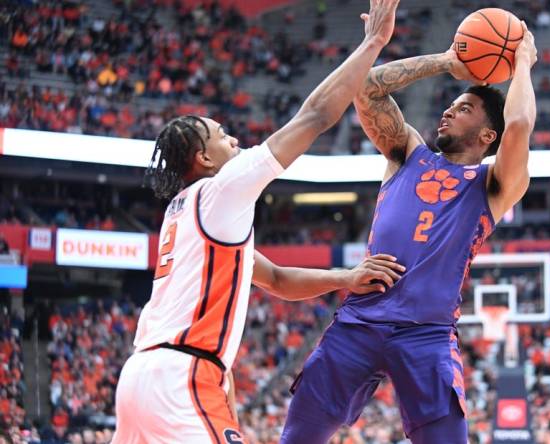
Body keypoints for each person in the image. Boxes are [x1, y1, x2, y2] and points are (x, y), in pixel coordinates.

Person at [112, 0, 403, 442]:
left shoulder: (187, 213)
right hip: (182, 375)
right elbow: (315, 116)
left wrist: (347, 277)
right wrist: (373, 44)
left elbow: (278, 280)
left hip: (139, 378)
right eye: (221, 136)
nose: (234, 139)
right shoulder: (220, 190)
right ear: (204, 158)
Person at [280, 21, 538, 444]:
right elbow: (367, 88)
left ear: (486, 135)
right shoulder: (407, 153)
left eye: (464, 109)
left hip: (427, 333)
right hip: (359, 320)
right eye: (451, 105)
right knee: (297, 439)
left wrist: (522, 63)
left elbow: (519, 126)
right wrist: (448, 61)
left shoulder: (494, 184)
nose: (449, 111)